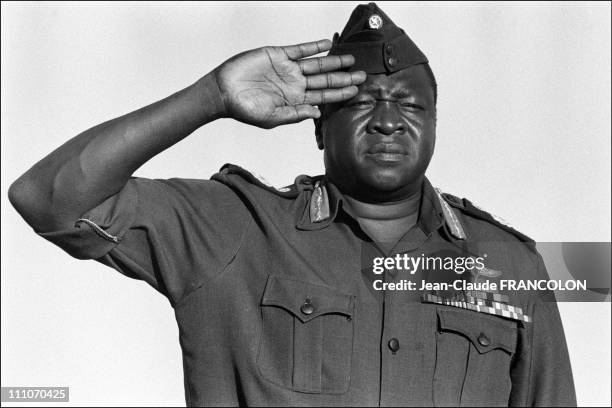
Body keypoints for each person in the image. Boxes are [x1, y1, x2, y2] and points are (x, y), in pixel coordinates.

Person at [9, 3, 577, 406]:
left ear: (434, 126)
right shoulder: (233, 229)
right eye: (361, 101)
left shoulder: (510, 267)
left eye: (410, 105)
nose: (387, 119)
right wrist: (212, 96)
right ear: (318, 127)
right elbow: (49, 200)